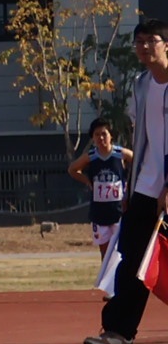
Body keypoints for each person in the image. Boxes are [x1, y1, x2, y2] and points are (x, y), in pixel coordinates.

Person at [88, 21, 168, 344]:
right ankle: (119, 333)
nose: (145, 47)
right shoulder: (140, 84)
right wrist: (132, 187)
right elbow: (142, 139)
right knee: (131, 258)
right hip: (144, 190)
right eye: (139, 42)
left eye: (152, 41)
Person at [67, 119, 128, 297]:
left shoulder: (120, 154)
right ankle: (109, 288)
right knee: (105, 251)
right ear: (93, 138)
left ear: (111, 136)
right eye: (97, 135)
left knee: (120, 250)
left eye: (104, 134)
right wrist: (88, 181)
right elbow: (72, 169)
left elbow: (137, 161)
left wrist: (129, 184)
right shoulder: (92, 156)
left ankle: (119, 287)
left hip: (118, 210)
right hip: (99, 212)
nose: (101, 138)